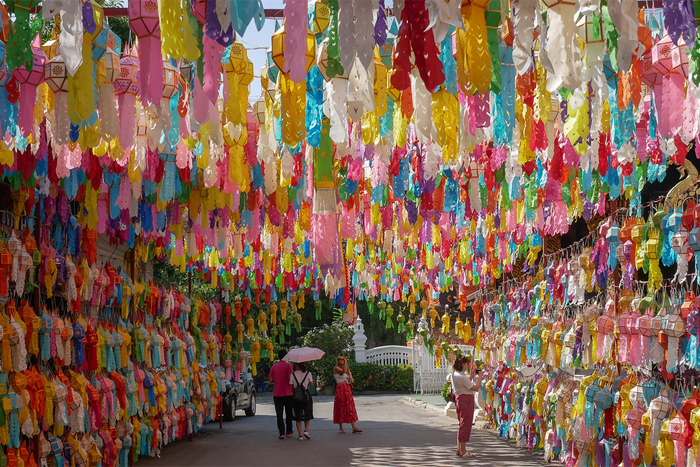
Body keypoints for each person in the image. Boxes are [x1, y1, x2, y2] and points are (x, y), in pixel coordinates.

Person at [447, 355, 483, 457]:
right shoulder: (461, 377)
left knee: (462, 424)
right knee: (465, 425)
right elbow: (475, 388)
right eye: (466, 364)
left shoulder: (454, 374)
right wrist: (480, 377)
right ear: (462, 364)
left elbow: (466, 384)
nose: (467, 367)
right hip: (466, 400)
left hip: (460, 399)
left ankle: (460, 448)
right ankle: (463, 450)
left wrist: (471, 377)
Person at [333, 355, 362, 433]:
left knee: (350, 407)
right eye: (340, 359)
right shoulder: (336, 368)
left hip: (347, 388)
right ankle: (341, 428)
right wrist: (345, 363)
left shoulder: (348, 370)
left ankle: (354, 427)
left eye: (343, 359)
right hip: (340, 388)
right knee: (340, 406)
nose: (341, 361)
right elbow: (342, 371)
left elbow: (352, 380)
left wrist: (350, 378)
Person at [268, 350, 294, 439]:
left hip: (277, 393)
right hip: (288, 393)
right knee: (289, 413)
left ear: (278, 357)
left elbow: (270, 380)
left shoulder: (274, 367)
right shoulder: (289, 366)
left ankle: (281, 433)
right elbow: (290, 377)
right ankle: (289, 431)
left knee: (279, 414)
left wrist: (277, 379)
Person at [290, 362, 314, 441]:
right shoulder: (308, 373)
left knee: (298, 416)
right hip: (306, 396)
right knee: (307, 413)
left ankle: (300, 435)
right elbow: (311, 384)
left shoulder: (293, 374)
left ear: (296, 365)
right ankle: (306, 431)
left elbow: (291, 387)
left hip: (296, 397)